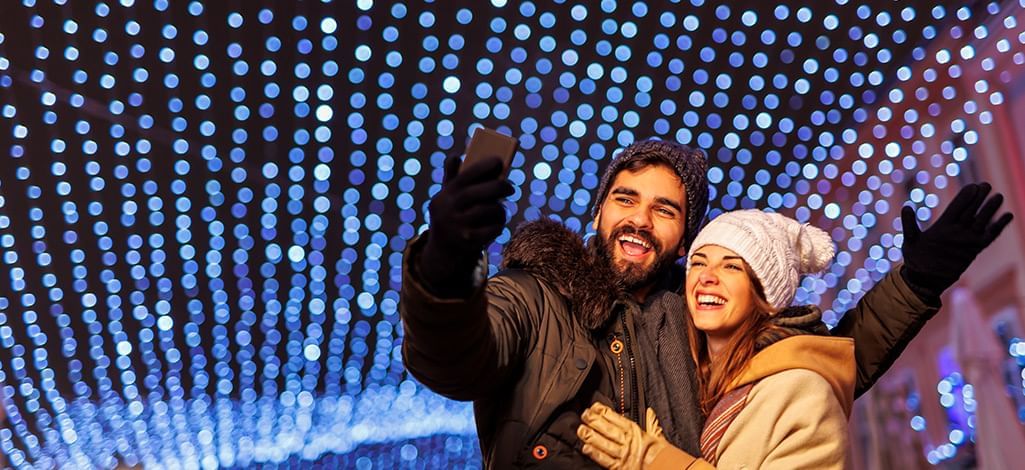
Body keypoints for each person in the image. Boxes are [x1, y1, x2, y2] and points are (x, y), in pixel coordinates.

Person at [399, 138, 1012, 468]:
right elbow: (453, 360)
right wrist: (446, 260)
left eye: (664, 210)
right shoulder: (534, 296)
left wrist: (918, 281)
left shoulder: (694, 319)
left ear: (683, 237)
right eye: (625, 199)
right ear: (599, 212)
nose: (640, 219)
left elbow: (817, 357)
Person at [577, 209, 852, 469]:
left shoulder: (802, 391)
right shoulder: (694, 381)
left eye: (731, 267)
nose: (707, 276)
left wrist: (654, 460)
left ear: (765, 294)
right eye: (698, 263)